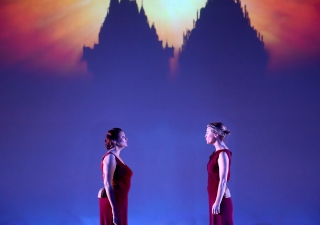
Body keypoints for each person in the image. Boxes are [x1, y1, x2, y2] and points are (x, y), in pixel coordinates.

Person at [98, 128, 133, 225]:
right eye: (122, 137)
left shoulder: (117, 157)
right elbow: (107, 183)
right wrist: (114, 211)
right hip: (113, 202)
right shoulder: (110, 157)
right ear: (114, 141)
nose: (126, 139)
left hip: (121, 200)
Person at [205, 122, 233, 225]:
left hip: (220, 200)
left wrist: (217, 203)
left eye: (207, 132)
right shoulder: (217, 153)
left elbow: (223, 181)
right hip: (214, 197)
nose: (205, 135)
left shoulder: (222, 154)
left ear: (216, 134)